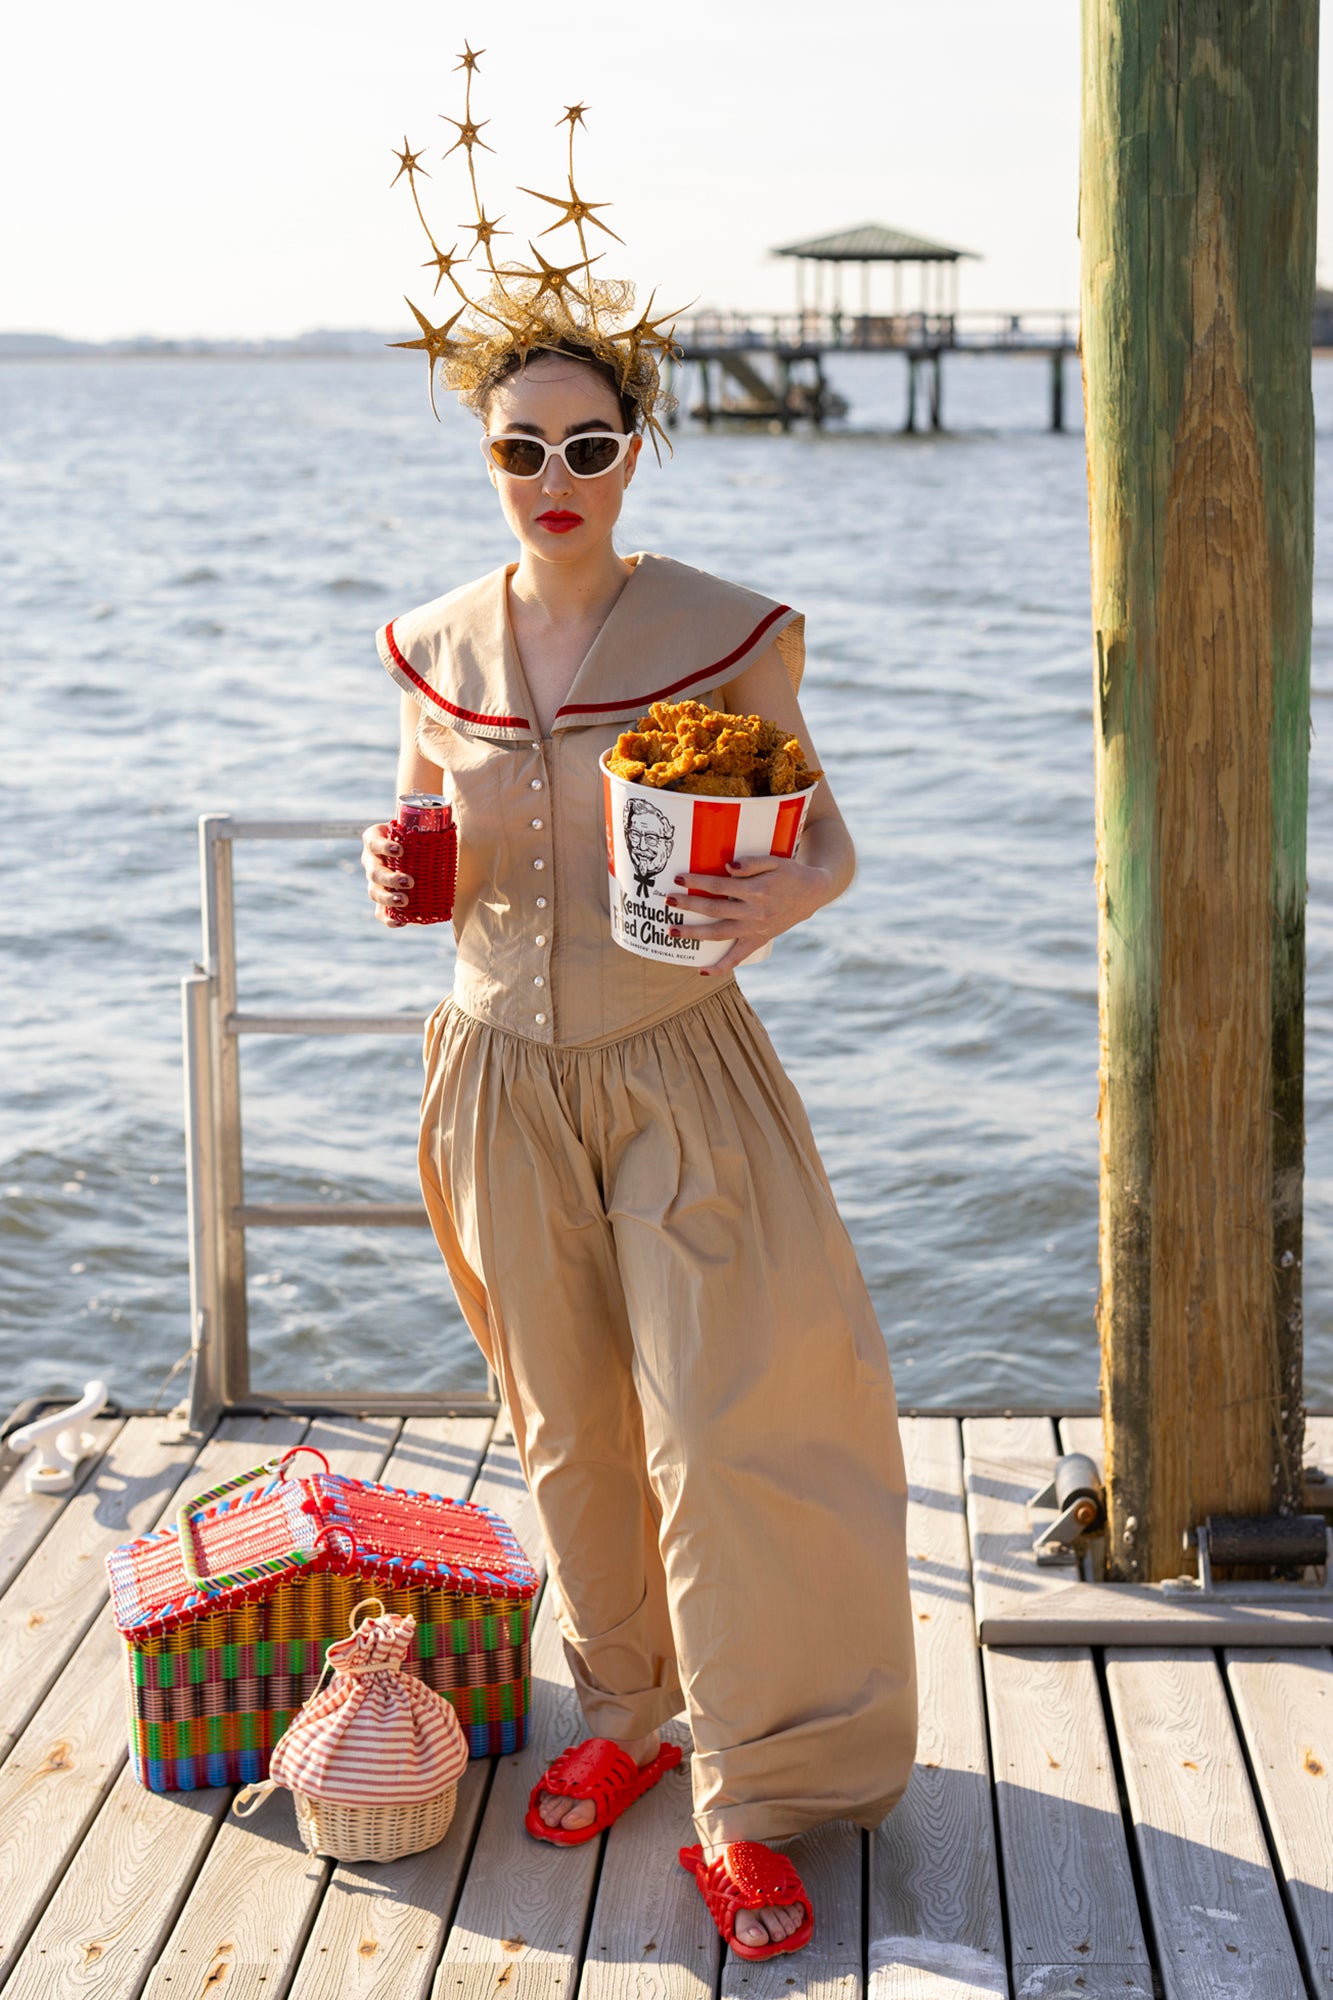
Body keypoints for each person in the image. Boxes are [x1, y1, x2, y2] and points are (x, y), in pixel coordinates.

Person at [362, 65, 915, 1963]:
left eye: (589, 449)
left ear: (635, 451)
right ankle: (622, 1712)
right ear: (483, 454)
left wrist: (791, 887)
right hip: (492, 1071)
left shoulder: (725, 630)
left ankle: (758, 1785)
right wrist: (397, 874)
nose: (554, 481)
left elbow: (822, 828)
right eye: (522, 449)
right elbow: (435, 828)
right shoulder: (431, 644)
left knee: (730, 1428)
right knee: (569, 1427)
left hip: (682, 1070)